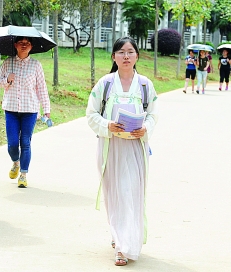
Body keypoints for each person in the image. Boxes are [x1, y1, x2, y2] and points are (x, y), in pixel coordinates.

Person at [86, 37, 158, 266]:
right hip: (111, 148)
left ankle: (125, 245)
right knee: (115, 195)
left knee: (131, 194)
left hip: (135, 148)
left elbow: (153, 114)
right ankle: (119, 240)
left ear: (137, 56)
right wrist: (108, 125)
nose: (126, 56)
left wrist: (145, 128)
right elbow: (91, 114)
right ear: (114, 57)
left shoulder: (145, 85)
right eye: (121, 52)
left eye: (130, 52)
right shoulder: (105, 84)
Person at [0, 36, 51, 188]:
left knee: (25, 142)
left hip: (30, 110)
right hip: (11, 109)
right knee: (12, 143)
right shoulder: (8, 63)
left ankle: (23, 175)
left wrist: (46, 110)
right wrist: (8, 79)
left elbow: (41, 88)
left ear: (31, 47)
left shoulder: (36, 65)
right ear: (15, 44)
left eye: (27, 43)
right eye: (21, 43)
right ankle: (16, 162)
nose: (24, 45)